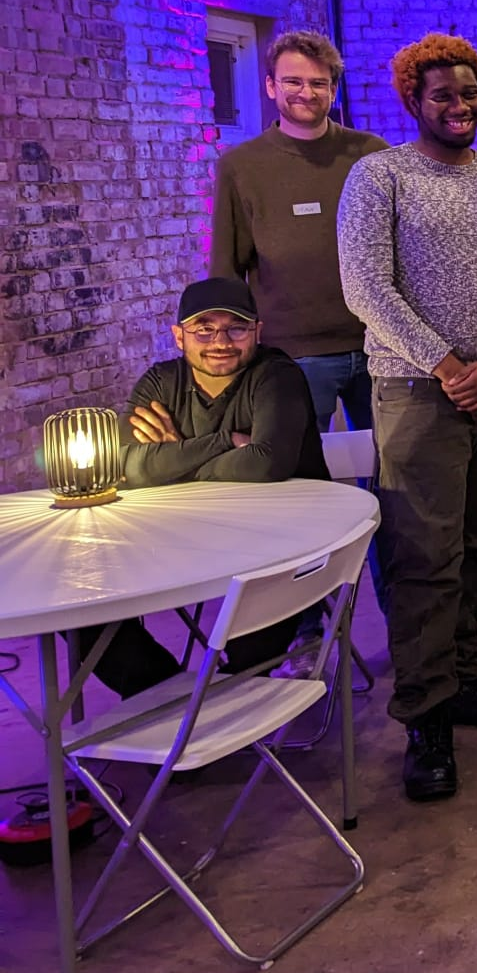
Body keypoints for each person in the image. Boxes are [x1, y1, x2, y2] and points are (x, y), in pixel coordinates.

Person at [338, 33, 477, 803]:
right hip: (417, 391)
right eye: (443, 97)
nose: (459, 108)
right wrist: (449, 367)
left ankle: (464, 679)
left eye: (469, 94)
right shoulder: (381, 177)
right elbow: (366, 288)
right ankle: (424, 715)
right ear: (413, 101)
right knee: (423, 556)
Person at [82, 277, 330, 698]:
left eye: (236, 328)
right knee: (86, 621)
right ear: (179, 336)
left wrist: (173, 459)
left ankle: (212, 713)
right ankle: (170, 702)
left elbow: (267, 462)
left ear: (257, 332)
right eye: (204, 329)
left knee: (249, 642)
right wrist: (222, 442)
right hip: (181, 540)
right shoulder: (160, 383)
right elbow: (120, 467)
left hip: (282, 546)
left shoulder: (275, 375)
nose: (221, 341)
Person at [210, 30, 388, 430]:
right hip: (294, 353)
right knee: (305, 474)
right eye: (293, 81)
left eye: (318, 83)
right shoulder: (241, 166)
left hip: (380, 345)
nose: (306, 92)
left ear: (333, 90)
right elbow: (225, 268)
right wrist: (231, 350)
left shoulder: (371, 154)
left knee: (392, 472)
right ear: (271, 85)